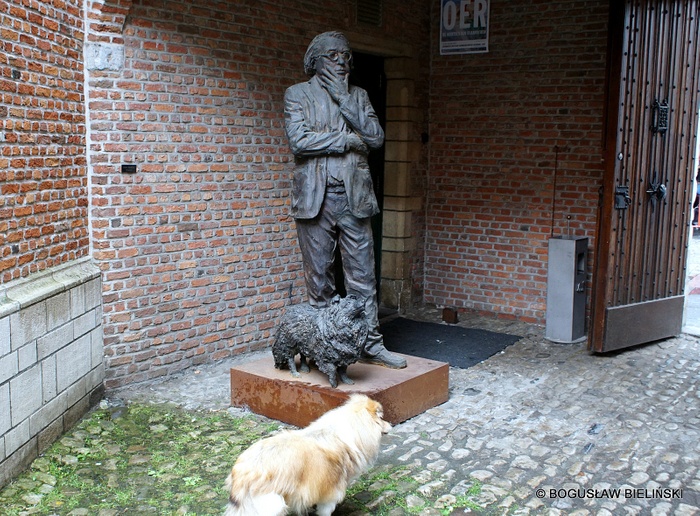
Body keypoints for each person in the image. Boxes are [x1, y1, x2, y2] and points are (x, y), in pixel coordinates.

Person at [283, 31, 406, 369]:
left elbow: (375, 138)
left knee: (362, 275)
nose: (342, 62)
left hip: (354, 197)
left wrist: (344, 100)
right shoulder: (297, 94)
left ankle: (370, 343)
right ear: (315, 61)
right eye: (333, 56)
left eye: (346, 56)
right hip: (315, 198)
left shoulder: (359, 96)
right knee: (319, 278)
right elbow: (299, 142)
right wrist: (346, 141)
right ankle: (323, 347)